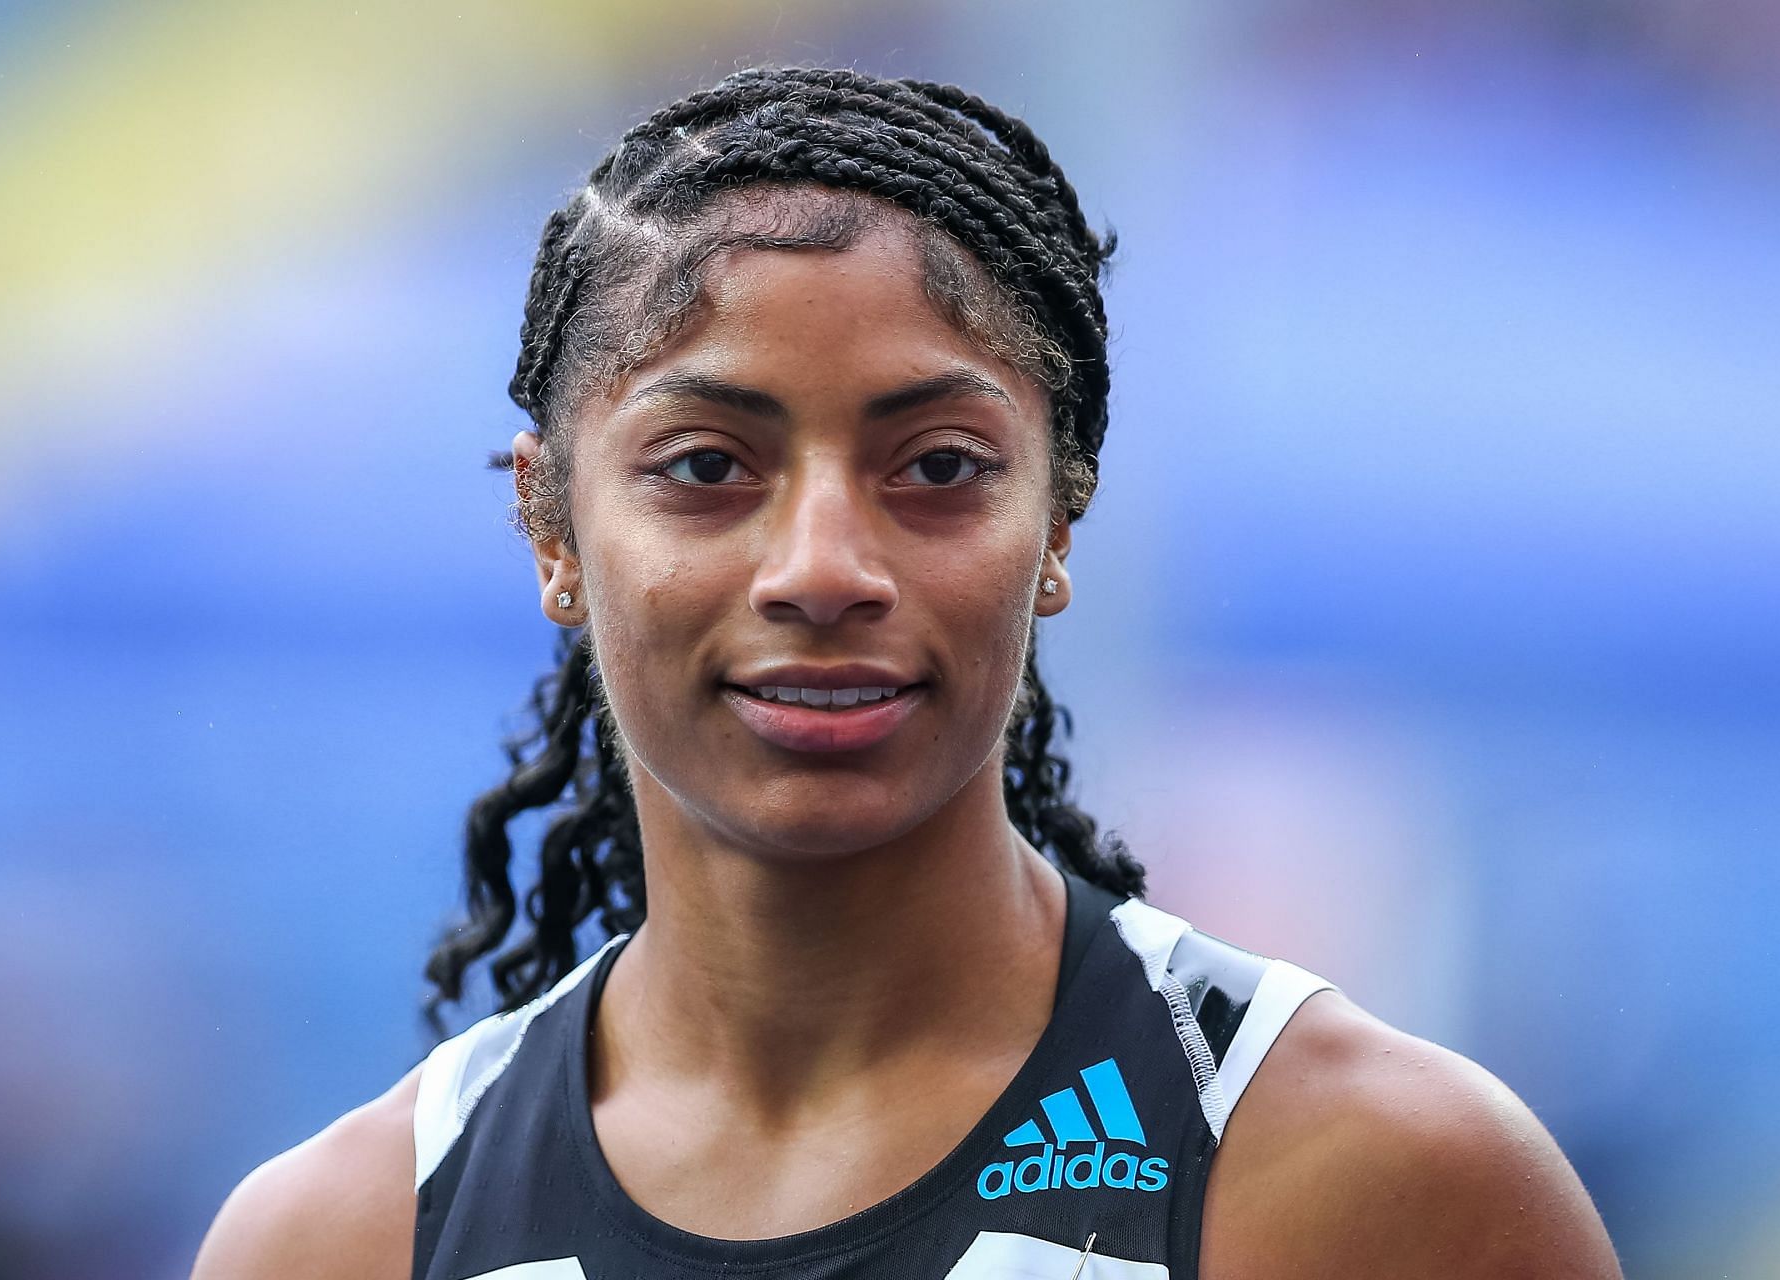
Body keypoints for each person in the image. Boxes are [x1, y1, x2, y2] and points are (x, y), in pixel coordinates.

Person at [189, 66, 1622, 1279]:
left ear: (1059, 522)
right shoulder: (342, 1239)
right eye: (706, 467)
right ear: (551, 526)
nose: (822, 566)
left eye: (938, 467)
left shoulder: (1372, 1181)